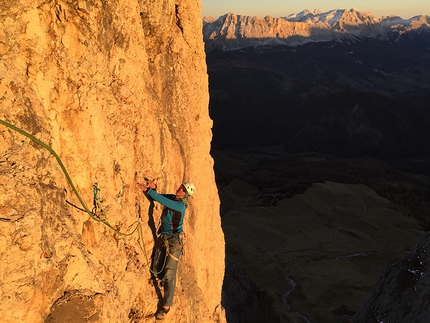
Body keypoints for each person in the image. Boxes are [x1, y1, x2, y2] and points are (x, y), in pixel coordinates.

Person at [137, 179, 195, 320]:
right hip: (165, 237)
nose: (179, 189)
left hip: (174, 241)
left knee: (169, 273)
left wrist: (147, 190)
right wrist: (154, 189)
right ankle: (164, 281)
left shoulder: (180, 205)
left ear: (185, 195)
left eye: (183, 190)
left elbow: (160, 200)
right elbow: (159, 197)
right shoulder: (173, 198)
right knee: (157, 268)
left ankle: (166, 306)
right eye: (181, 187)